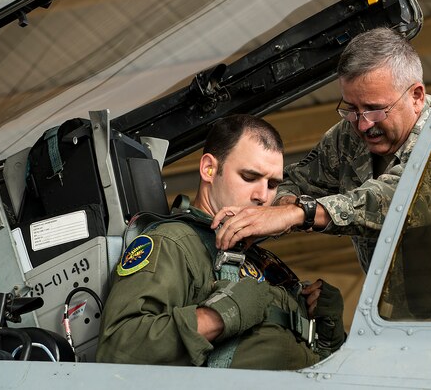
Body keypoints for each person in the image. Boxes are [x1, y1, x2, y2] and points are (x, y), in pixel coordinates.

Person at [211, 27, 431, 272]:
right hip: (391, 314)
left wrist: (299, 213)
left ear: (416, 96)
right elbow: (295, 182)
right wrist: (281, 205)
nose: (363, 125)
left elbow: (394, 199)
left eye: (376, 110)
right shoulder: (348, 137)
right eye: (351, 109)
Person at [96, 114, 345, 369]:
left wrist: (323, 332)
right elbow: (120, 346)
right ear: (209, 169)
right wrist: (219, 315)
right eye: (249, 177)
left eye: (272, 184)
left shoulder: (261, 260)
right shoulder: (174, 243)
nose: (262, 196)